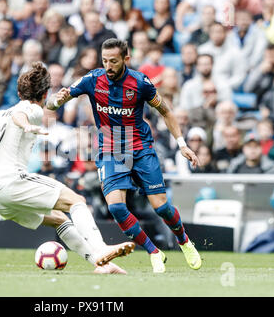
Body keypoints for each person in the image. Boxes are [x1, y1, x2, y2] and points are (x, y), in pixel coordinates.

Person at [0, 62, 135, 275]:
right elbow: (22, 115)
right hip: (10, 182)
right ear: (44, 94)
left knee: (59, 219)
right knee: (76, 201)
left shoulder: (0, 115)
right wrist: (26, 125)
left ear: (18, 91)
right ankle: (101, 248)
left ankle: (101, 264)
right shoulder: (31, 110)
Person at [47, 38, 202, 273]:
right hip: (111, 151)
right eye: (105, 61)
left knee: (161, 207)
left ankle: (184, 241)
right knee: (117, 208)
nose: (108, 66)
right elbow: (57, 100)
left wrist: (181, 143)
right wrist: (56, 100)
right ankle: (154, 252)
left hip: (140, 148)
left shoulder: (141, 83)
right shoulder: (92, 79)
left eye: (113, 61)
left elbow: (166, 112)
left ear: (126, 59)